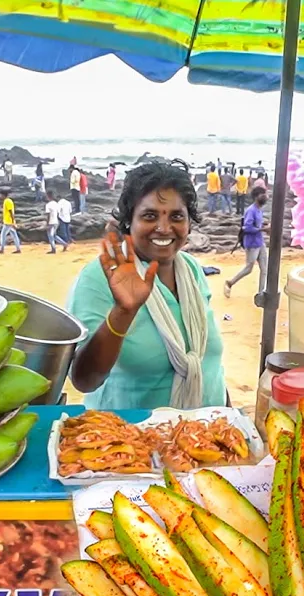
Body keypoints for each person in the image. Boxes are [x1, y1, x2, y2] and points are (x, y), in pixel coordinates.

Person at [68, 161, 226, 411]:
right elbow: (84, 380)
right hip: (129, 440)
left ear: (189, 223)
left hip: (205, 435)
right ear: (129, 220)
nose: (164, 228)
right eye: (149, 216)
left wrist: (229, 415)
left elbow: (208, 364)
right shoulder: (99, 278)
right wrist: (123, 312)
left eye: (176, 216)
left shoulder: (191, 270)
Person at [224, 186, 269, 298]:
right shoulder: (251, 211)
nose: (266, 197)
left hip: (259, 242)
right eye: (263, 194)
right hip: (252, 243)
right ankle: (230, 282)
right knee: (249, 268)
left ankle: (261, 293)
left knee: (264, 269)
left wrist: (263, 226)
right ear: (256, 197)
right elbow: (247, 227)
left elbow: (256, 225)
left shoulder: (259, 210)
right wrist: (263, 229)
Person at [0, 189, 20, 254]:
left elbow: (11, 212)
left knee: (2, 235)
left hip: (8, 222)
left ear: (3, 195)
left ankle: (2, 249)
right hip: (8, 221)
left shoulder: (7, 201)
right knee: (14, 235)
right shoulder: (7, 201)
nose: (0, 196)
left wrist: (13, 222)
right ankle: (18, 249)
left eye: (1, 195)